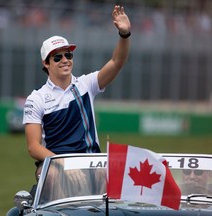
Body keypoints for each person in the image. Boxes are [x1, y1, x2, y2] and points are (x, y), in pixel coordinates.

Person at [23, 5, 131, 181]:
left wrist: (124, 34)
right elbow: (33, 147)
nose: (65, 60)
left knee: (119, 179)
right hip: (56, 164)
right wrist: (63, 163)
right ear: (46, 63)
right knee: (51, 175)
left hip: (91, 162)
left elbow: (117, 61)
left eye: (68, 55)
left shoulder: (86, 84)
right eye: (57, 57)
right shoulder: (37, 98)